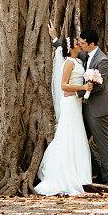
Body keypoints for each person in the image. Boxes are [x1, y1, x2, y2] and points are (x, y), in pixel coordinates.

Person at [50, 24, 108, 186]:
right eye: (79, 43)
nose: (80, 45)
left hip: (97, 108)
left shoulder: (102, 60)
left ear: (92, 44)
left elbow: (99, 86)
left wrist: (77, 92)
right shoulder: (84, 56)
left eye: (83, 43)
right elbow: (68, 52)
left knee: (102, 143)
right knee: (80, 141)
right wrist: (55, 39)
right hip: (81, 107)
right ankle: (97, 171)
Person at [34, 32, 93, 196]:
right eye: (76, 42)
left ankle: (80, 175)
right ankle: (65, 175)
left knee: (76, 135)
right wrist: (83, 88)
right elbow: (64, 86)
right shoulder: (68, 63)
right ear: (71, 48)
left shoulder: (77, 60)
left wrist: (54, 38)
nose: (80, 44)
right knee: (68, 134)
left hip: (76, 103)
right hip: (69, 103)